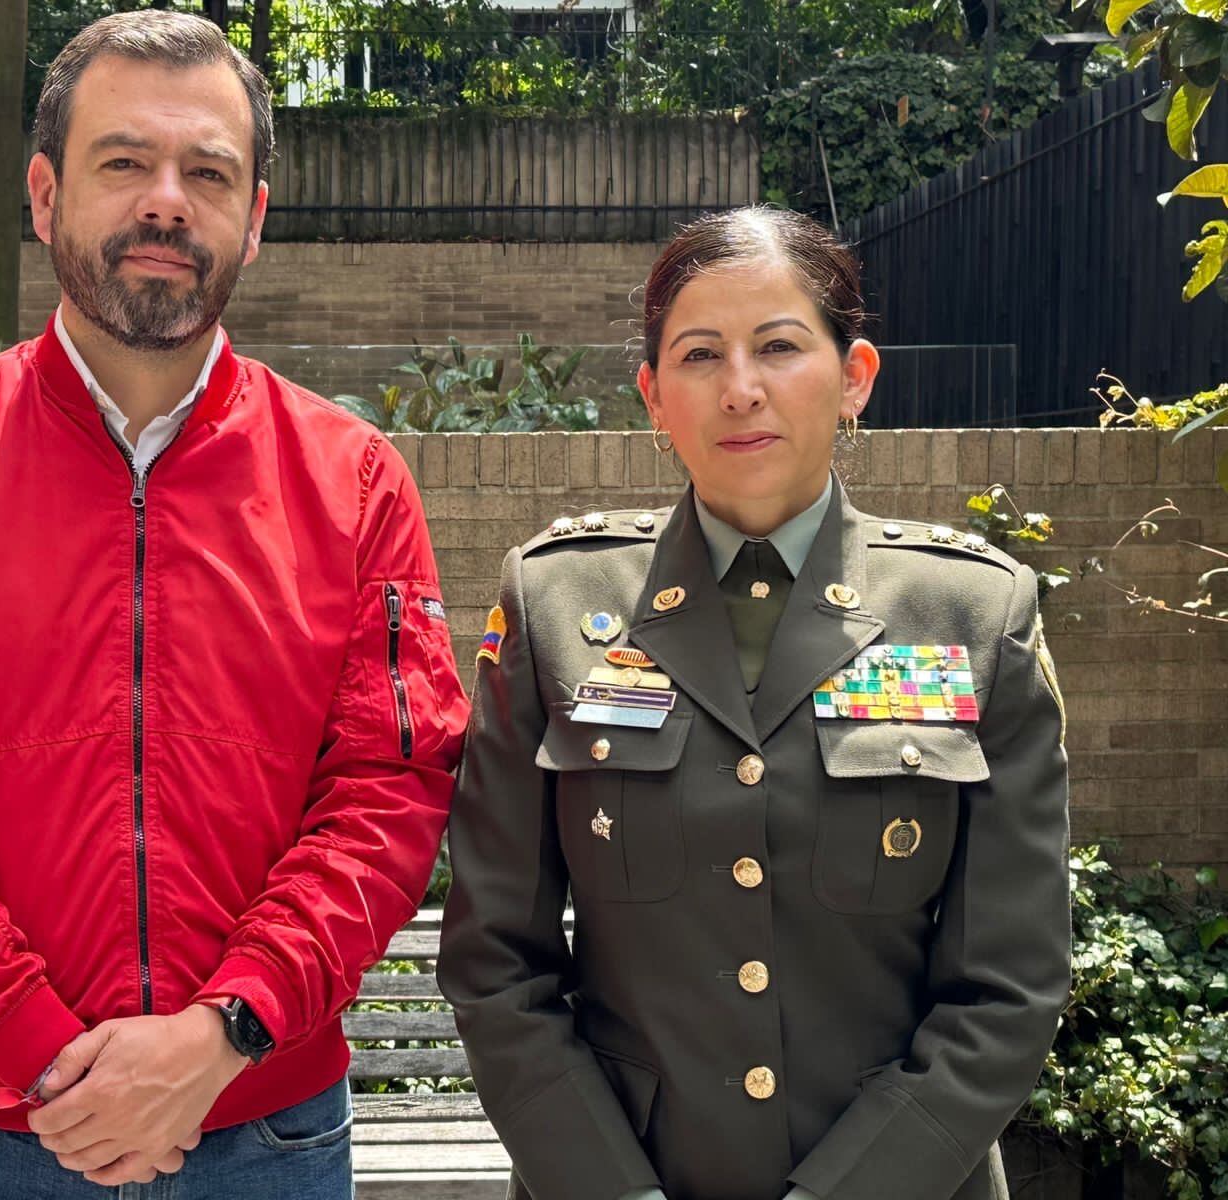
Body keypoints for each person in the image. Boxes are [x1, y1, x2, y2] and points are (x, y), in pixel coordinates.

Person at [0, 12, 467, 1197]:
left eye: (207, 172)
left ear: (253, 216)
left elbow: (388, 796)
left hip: (264, 1131)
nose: (165, 201)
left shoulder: (356, 484)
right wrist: (48, 1061)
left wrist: (223, 1036)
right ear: (44, 195)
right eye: (123, 162)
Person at [437, 206, 1070, 1200]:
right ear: (652, 396)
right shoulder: (558, 603)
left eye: (778, 346)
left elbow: (1008, 985)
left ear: (853, 376)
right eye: (699, 356)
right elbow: (494, 965)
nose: (740, 390)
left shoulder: (969, 613)